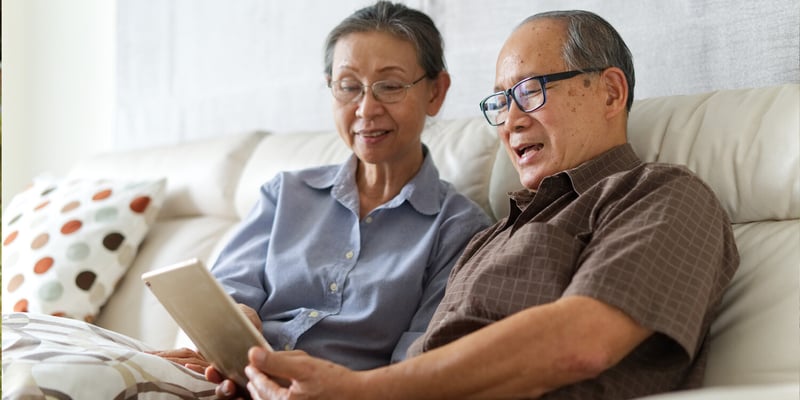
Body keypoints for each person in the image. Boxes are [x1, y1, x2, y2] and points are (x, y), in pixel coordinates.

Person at [212, 9, 740, 400]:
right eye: (500, 102)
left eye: (530, 91)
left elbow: (582, 341)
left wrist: (361, 391)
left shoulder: (659, 194)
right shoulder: (493, 232)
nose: (509, 121)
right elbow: (415, 358)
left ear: (609, 91)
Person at [154, 0, 491, 374]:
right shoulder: (285, 193)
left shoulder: (459, 228)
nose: (365, 109)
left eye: (390, 86)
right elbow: (228, 289)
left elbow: (416, 364)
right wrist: (234, 319)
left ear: (435, 92)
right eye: (348, 86)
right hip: (236, 376)